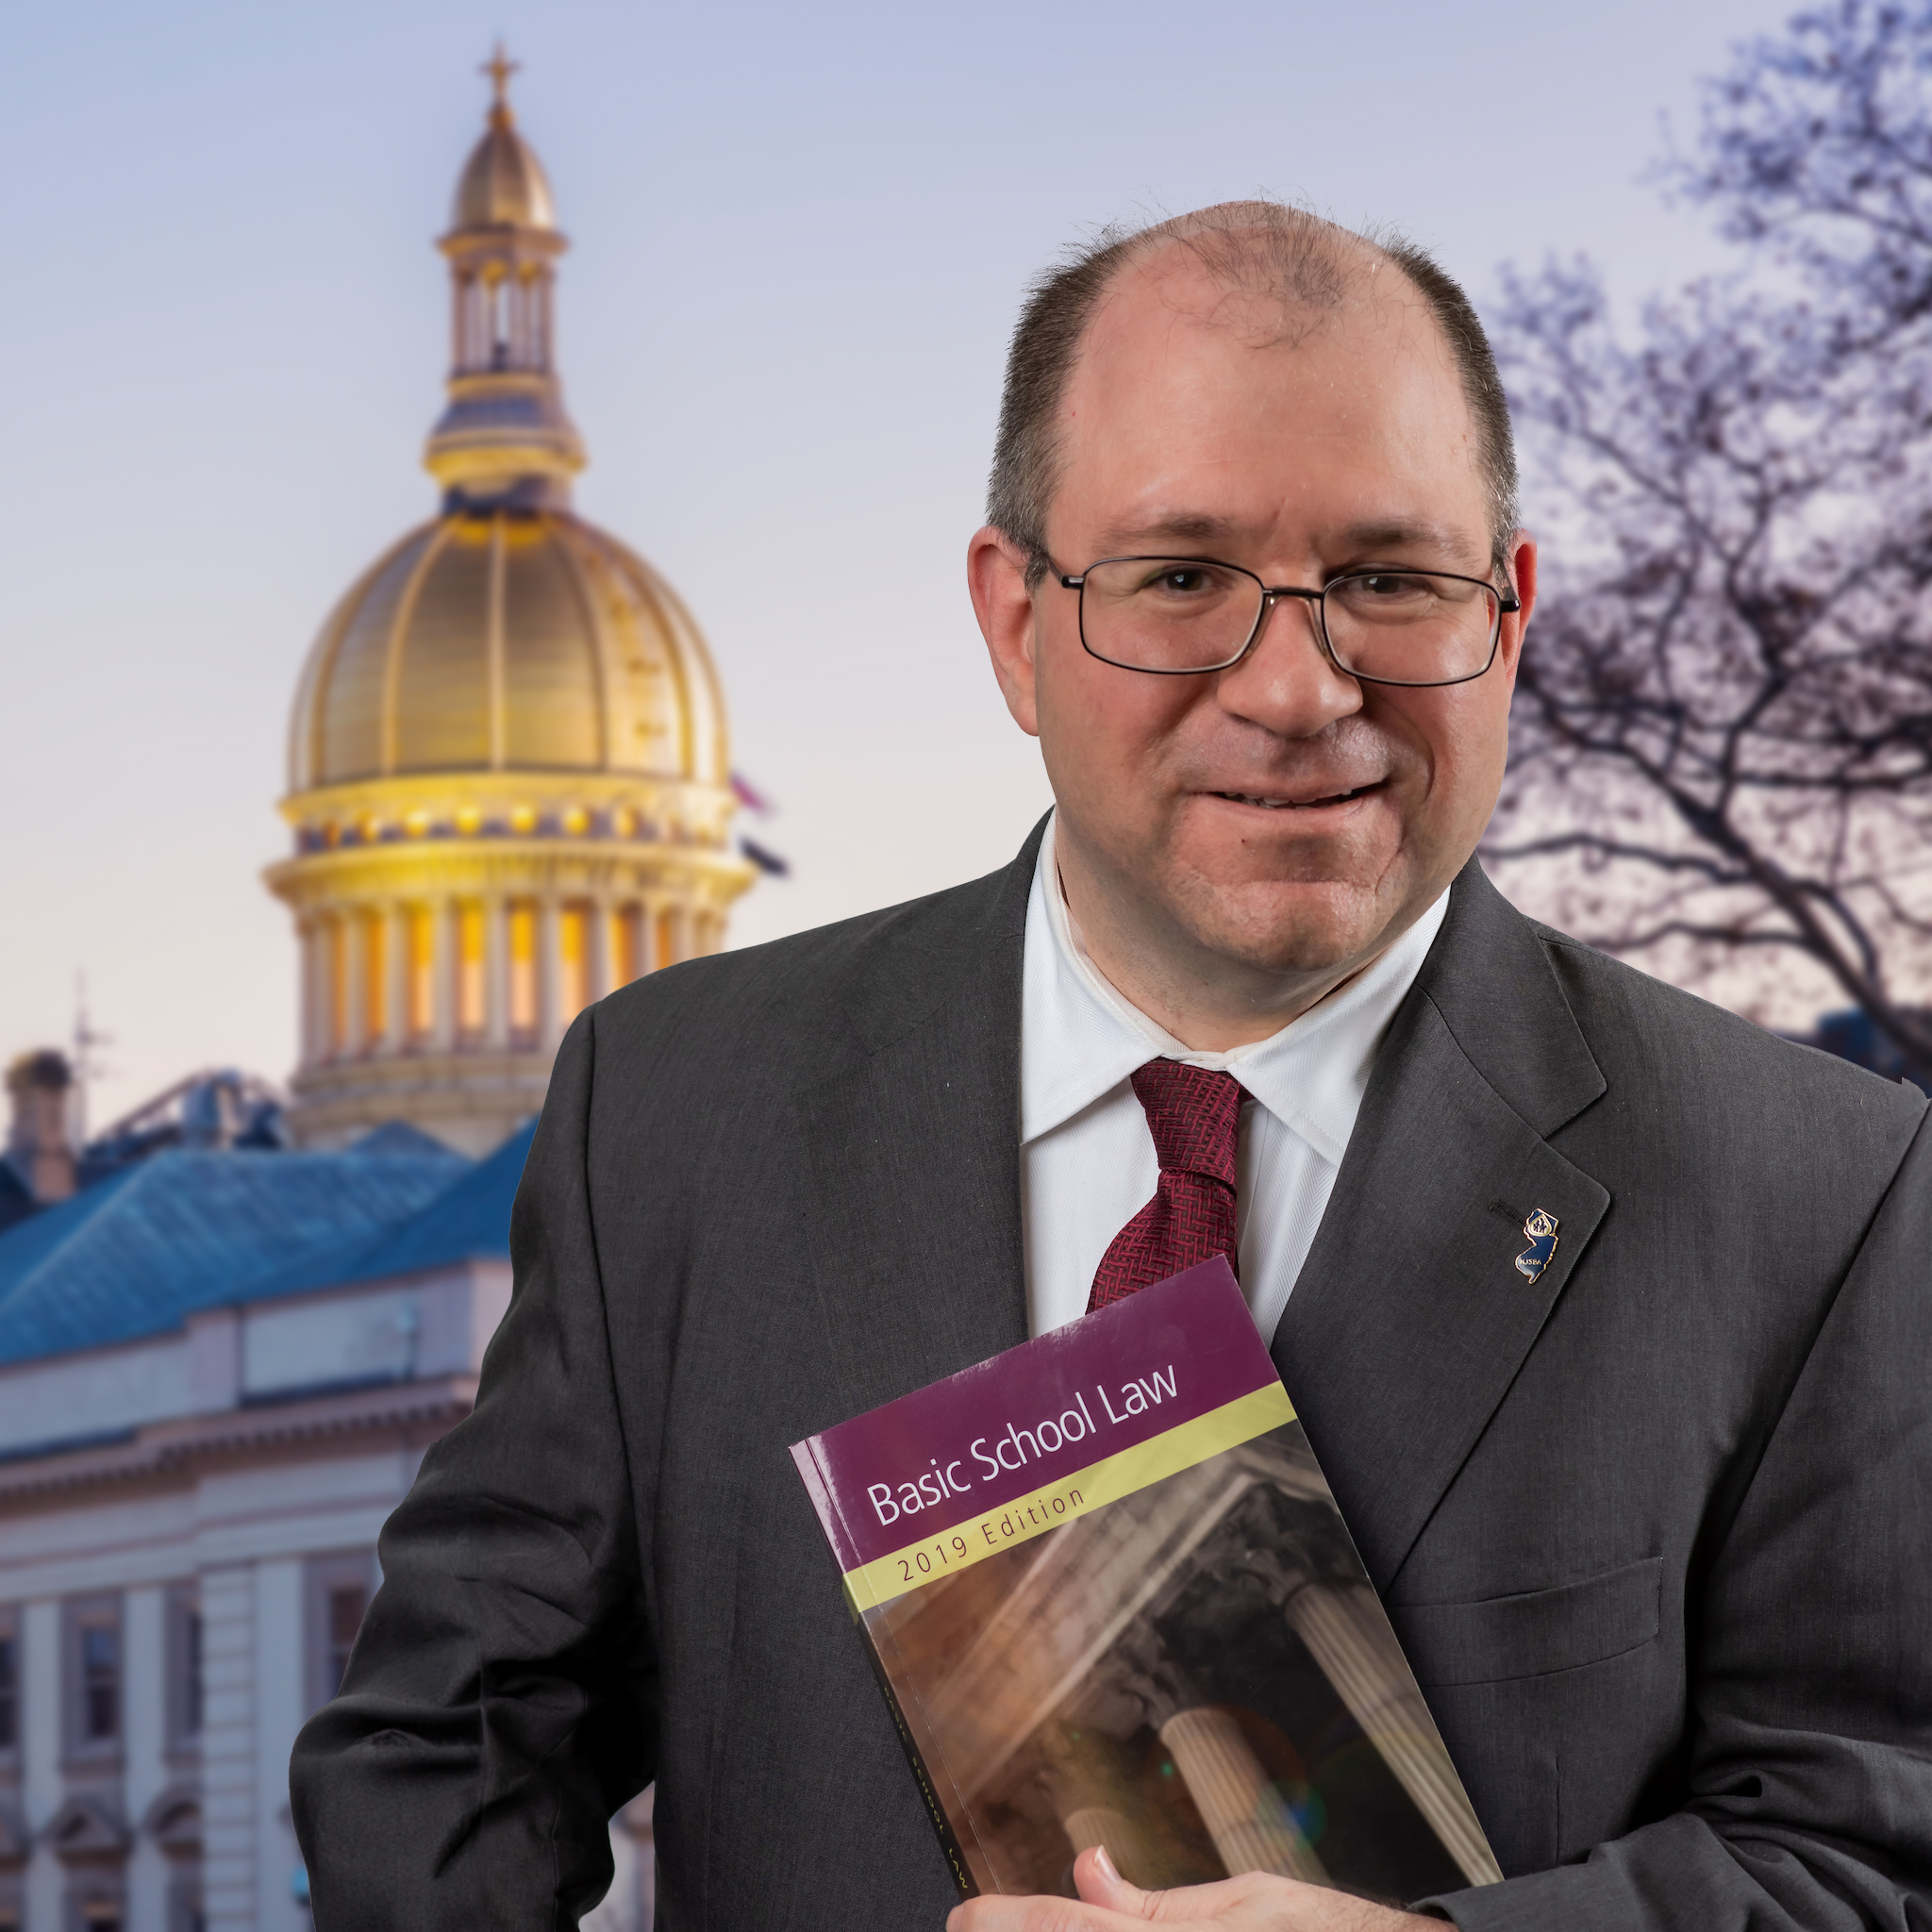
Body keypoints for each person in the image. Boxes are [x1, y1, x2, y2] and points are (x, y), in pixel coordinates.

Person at [290, 204, 1932, 1931]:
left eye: (1389, 578)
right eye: (1179, 580)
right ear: (1014, 622)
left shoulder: (1817, 1193)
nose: (1299, 689)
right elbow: (443, 1749)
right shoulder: (678, 1116)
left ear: (1507, 614)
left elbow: (1871, 1850)